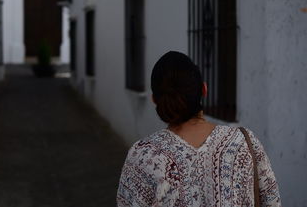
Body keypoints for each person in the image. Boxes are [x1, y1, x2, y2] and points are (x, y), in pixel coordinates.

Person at [117, 51, 281, 207]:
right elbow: (272, 201)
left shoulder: (142, 156)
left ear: (155, 100)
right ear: (204, 89)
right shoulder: (245, 143)